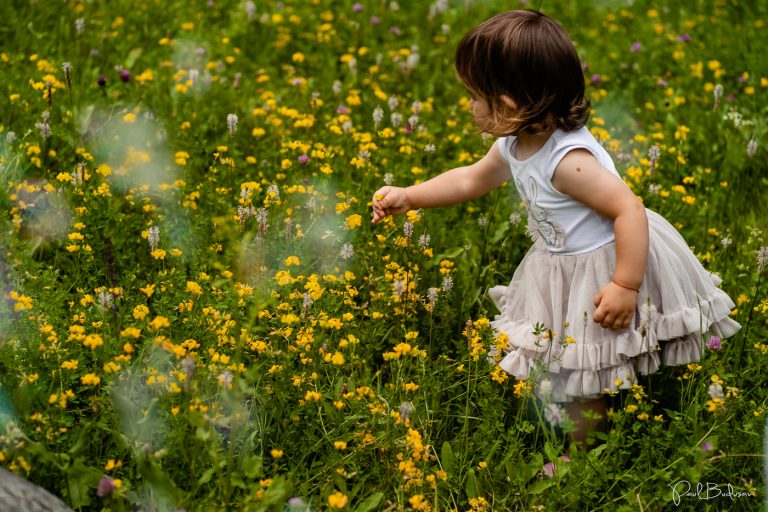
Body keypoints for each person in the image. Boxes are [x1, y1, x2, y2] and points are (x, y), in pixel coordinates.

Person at [370, 9, 741, 449]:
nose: (469, 105)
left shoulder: (568, 162)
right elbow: (471, 178)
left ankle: (585, 457)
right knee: (574, 362)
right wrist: (410, 196)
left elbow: (630, 210)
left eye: (475, 96)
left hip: (607, 262)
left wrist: (625, 284)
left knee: (584, 372)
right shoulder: (513, 142)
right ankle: (604, 424)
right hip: (561, 262)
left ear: (508, 105)